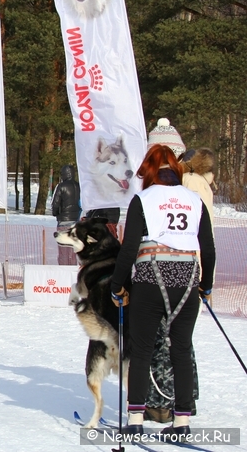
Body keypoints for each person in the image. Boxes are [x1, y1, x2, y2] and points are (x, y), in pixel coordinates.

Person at [110, 145, 215, 437]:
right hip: (186, 282)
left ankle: (135, 420)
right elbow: (207, 247)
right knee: (181, 349)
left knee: (141, 351)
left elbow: (129, 247)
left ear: (150, 170)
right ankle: (181, 421)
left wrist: (117, 285)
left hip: (149, 282)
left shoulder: (143, 200)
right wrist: (205, 286)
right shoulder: (194, 200)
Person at [51, 164, 81, 265]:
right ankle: (72, 272)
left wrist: (56, 213)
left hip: (64, 220)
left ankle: (63, 272)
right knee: (73, 250)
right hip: (76, 221)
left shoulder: (61, 186)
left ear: (64, 174)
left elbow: (55, 203)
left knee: (63, 250)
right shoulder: (79, 186)